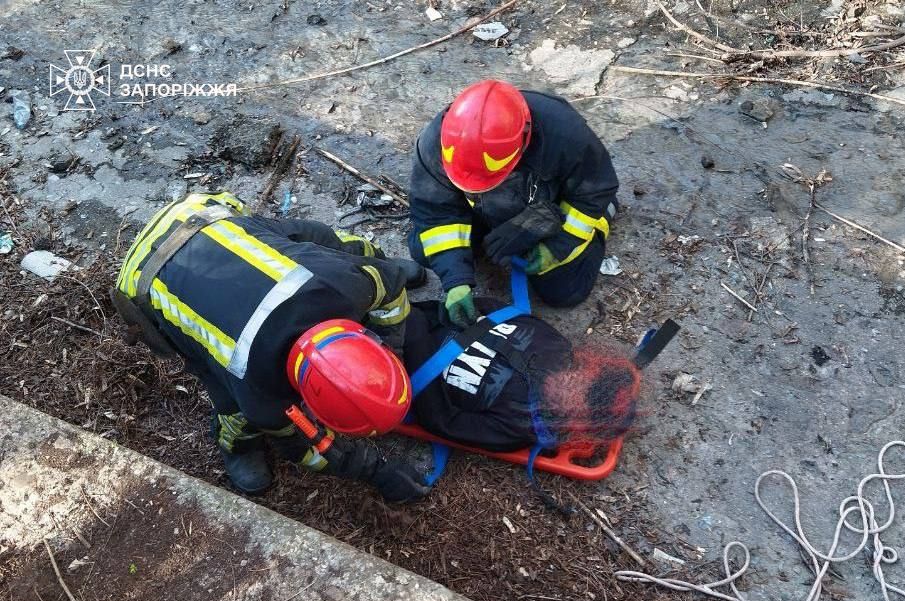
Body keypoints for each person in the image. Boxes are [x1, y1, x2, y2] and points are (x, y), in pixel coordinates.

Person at [112, 191, 430, 502]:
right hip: (145, 279)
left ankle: (386, 265)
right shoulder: (261, 396)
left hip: (201, 215)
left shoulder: (344, 284)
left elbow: (390, 294)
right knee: (231, 405)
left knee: (338, 247)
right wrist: (375, 473)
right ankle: (237, 448)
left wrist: (391, 352)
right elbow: (306, 450)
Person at [408, 79, 619, 327]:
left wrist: (558, 246)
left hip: (547, 212)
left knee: (565, 291)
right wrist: (456, 281)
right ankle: (485, 236)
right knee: (423, 249)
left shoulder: (566, 134)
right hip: (483, 208)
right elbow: (435, 213)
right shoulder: (436, 142)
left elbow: (593, 190)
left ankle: (605, 216)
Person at [401, 299, 643, 454]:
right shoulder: (554, 344)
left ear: (575, 420)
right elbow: (496, 310)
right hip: (415, 314)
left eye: (582, 397)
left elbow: (440, 420)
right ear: (591, 369)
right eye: (585, 380)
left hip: (394, 366)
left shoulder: (516, 427)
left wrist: (415, 339)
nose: (571, 384)